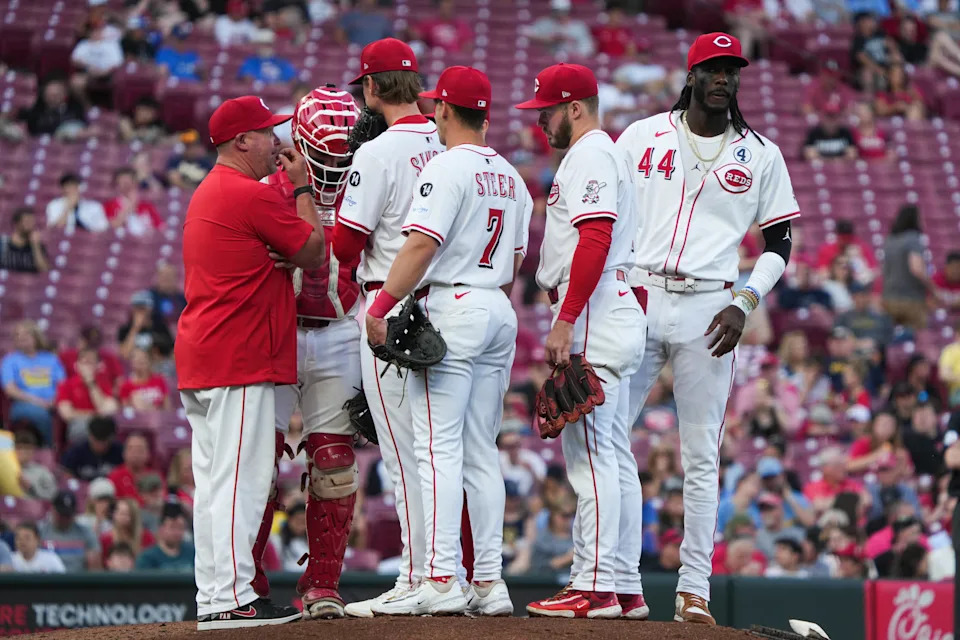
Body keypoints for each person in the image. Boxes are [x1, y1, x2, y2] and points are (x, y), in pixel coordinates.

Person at [614, 32, 798, 626]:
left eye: (731, 69)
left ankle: (695, 591)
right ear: (690, 76)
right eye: (713, 68)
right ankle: (614, 580)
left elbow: (779, 243)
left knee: (701, 455)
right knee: (605, 437)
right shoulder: (642, 135)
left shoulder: (761, 152)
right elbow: (601, 212)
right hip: (639, 292)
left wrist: (745, 301)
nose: (724, 78)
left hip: (711, 304)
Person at [366, 65, 531, 617]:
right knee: (482, 450)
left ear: (444, 110)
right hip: (497, 308)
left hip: (454, 306)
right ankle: (489, 582)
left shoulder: (445, 165)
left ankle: (440, 578)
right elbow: (511, 260)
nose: (432, 112)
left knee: (437, 448)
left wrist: (381, 306)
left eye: (437, 106)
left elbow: (418, 247)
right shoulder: (511, 174)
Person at [176, 94, 325, 630]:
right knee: (240, 481)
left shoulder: (208, 192)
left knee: (216, 485)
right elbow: (314, 252)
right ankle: (233, 597)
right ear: (242, 142)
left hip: (206, 355)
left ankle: (216, 594)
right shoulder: (245, 192)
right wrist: (305, 187)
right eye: (267, 133)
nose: (277, 141)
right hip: (238, 355)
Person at [515, 62, 646, 620]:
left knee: (591, 457)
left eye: (546, 110)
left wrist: (566, 319)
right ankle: (623, 584)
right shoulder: (607, 153)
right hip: (614, 304)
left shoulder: (590, 152)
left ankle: (592, 586)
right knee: (613, 456)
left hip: (593, 309)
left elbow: (595, 237)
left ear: (575, 107)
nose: (539, 121)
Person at [330, 38, 446, 618]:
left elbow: (346, 244)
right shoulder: (448, 137)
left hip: (391, 306)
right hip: (449, 302)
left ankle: (418, 576)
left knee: (406, 456)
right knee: (445, 452)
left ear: (371, 89)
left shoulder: (375, 153)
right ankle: (457, 573)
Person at [257, 85, 364, 619]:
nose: (329, 167)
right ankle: (250, 582)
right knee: (259, 457)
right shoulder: (264, 188)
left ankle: (323, 583)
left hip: (340, 327)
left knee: (335, 460)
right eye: (322, 155)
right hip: (279, 326)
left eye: (338, 157)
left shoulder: (364, 186)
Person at [1, 320, 66, 445]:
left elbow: (62, 384)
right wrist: (37, 401)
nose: (21, 337)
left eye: (26, 334)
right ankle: (49, 448)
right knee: (40, 415)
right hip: (23, 403)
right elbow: (10, 389)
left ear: (36, 337)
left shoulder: (50, 359)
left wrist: (55, 400)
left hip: (53, 403)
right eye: (17, 335)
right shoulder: (10, 361)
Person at [882, 205, 931, 331]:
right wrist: (934, 290)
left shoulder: (890, 240)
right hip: (912, 300)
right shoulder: (913, 238)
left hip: (889, 298)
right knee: (919, 339)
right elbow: (917, 269)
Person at [54, 347, 119, 439]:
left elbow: (108, 409)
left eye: (91, 363)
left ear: (98, 366)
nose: (87, 366)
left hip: (102, 425)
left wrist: (91, 384)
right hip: (79, 424)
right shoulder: (65, 385)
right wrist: (95, 415)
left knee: (110, 429)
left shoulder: (105, 384)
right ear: (77, 365)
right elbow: (67, 414)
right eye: (84, 362)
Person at [39, 491, 101, 572]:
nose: (64, 519)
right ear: (53, 510)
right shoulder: (41, 532)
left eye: (68, 515)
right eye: (61, 515)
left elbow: (95, 569)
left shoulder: (86, 533)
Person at [104, 167, 165, 237]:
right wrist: (129, 206)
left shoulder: (147, 206)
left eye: (129, 182)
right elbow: (114, 225)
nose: (126, 186)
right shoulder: (109, 205)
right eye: (123, 182)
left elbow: (161, 228)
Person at [60, 416, 123, 482]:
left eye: (104, 441)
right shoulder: (75, 453)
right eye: (97, 441)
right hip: (83, 489)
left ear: (111, 438)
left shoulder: (120, 452)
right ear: (90, 436)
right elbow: (66, 475)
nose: (100, 445)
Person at [117, 290, 174, 361]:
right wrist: (135, 328)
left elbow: (171, 353)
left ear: (150, 310)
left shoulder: (160, 327)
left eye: (143, 308)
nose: (140, 312)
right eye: (137, 308)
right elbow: (124, 355)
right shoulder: (125, 329)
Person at [136, 505, 195, 571]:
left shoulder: (192, 553)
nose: (176, 532)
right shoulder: (147, 558)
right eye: (172, 527)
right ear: (161, 528)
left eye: (180, 527)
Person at [107, 432, 153, 504]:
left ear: (147, 454)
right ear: (124, 453)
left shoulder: (154, 476)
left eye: (140, 450)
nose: (135, 454)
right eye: (131, 449)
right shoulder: (114, 477)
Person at [0, 208, 49, 273]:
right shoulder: (3, 243)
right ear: (16, 224)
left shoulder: (37, 246)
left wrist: (36, 247)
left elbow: (45, 271)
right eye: (27, 222)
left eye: (32, 222)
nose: (31, 225)